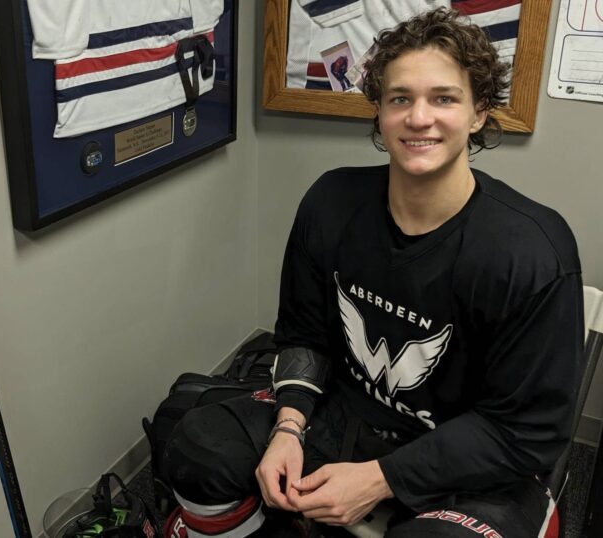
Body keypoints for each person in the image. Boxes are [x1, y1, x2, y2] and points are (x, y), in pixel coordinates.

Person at [162, 8, 584, 537]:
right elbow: (305, 334)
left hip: (471, 457)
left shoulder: (532, 251)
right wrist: (289, 428)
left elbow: (527, 433)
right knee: (198, 447)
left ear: (478, 113)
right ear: (380, 112)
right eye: (400, 98)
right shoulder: (331, 201)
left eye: (444, 98)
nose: (419, 117)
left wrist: (380, 479)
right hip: (348, 416)